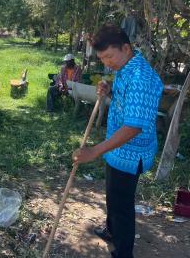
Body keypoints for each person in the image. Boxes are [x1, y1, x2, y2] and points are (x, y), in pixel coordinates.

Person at [72, 25, 163, 258]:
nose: (108, 63)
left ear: (126, 47)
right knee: (112, 195)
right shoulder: (125, 68)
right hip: (117, 148)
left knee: (121, 205)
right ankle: (111, 231)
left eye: (110, 56)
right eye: (103, 59)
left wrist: (95, 151)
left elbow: (133, 126)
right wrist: (110, 90)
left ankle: (123, 252)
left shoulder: (141, 78)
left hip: (131, 152)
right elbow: (127, 102)